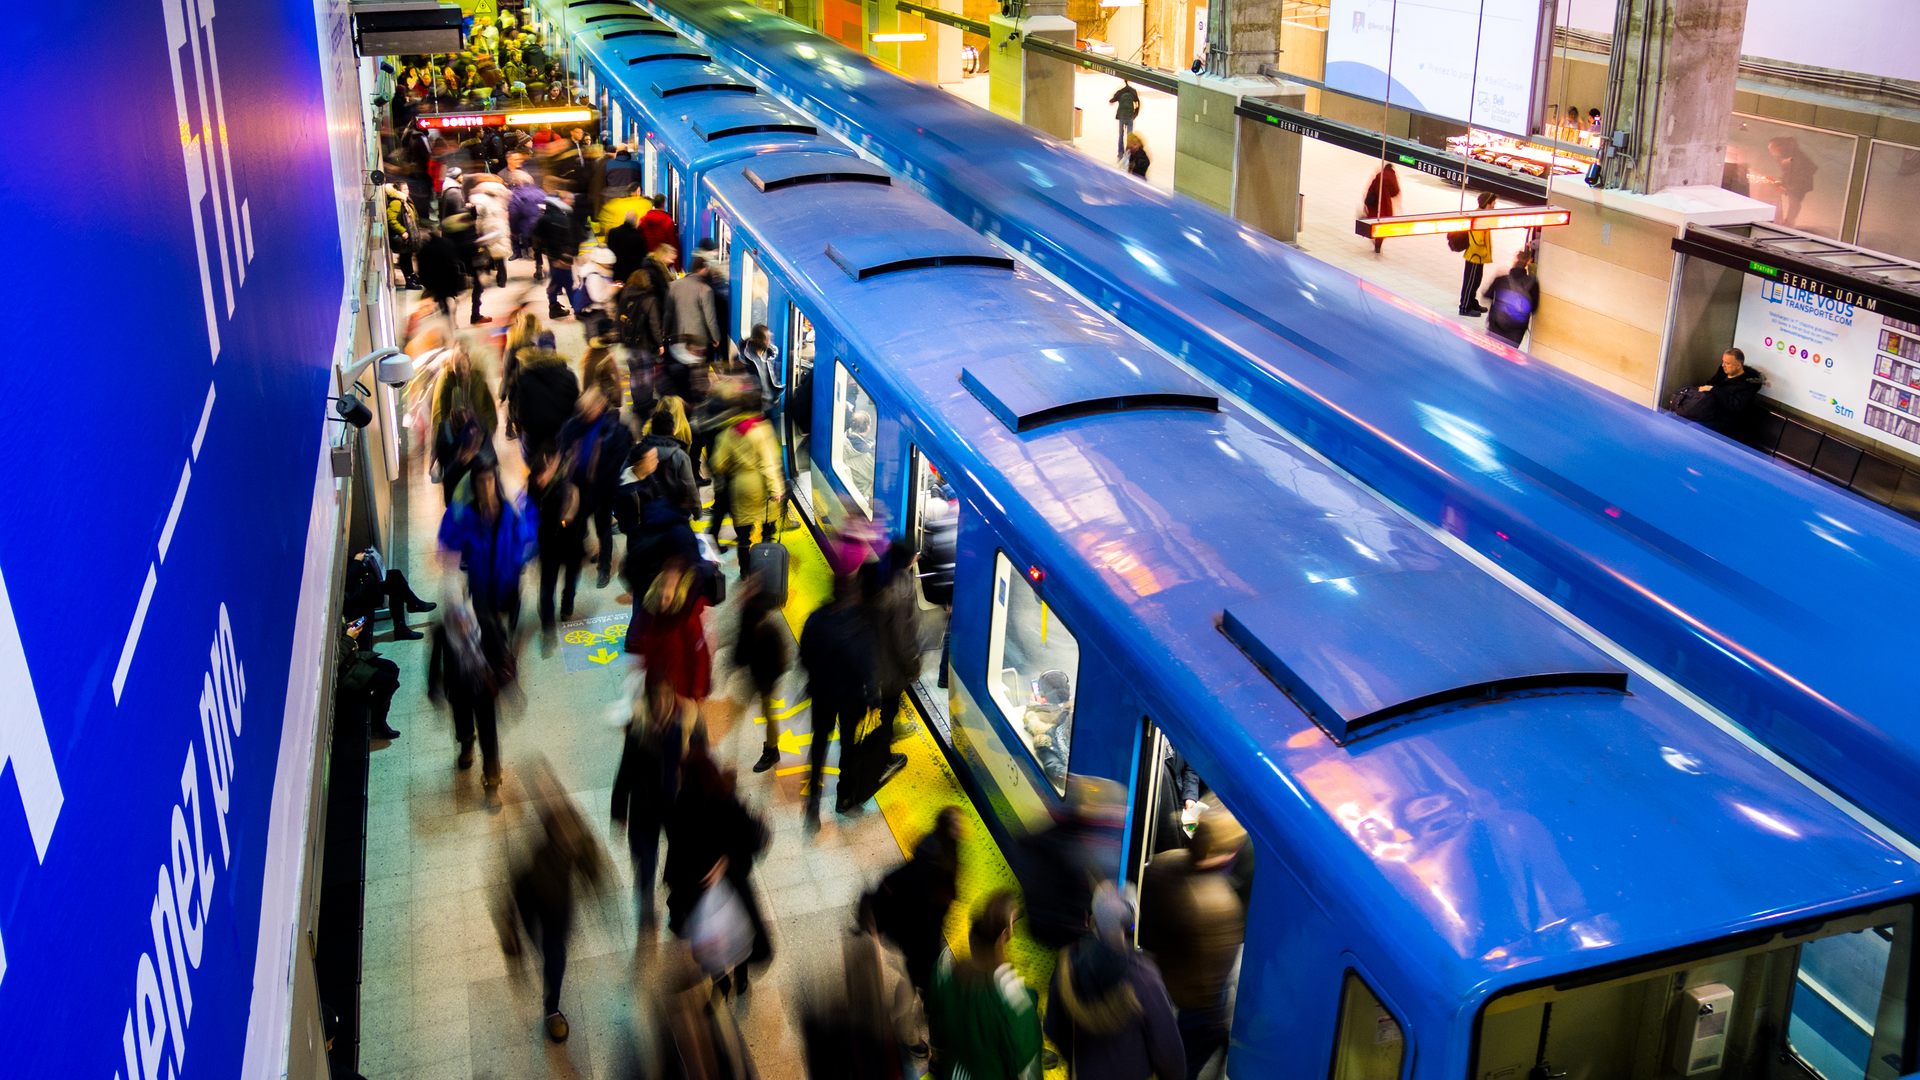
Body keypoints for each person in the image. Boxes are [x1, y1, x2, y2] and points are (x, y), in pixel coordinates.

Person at [1138, 808, 1248, 1080]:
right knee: (1189, 1057)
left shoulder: (1162, 863)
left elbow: (1145, 926)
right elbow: (1216, 977)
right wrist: (1216, 1020)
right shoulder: (1221, 905)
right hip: (1196, 1002)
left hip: (1161, 977)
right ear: (1220, 854)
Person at [664, 734, 772, 996]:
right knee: (717, 936)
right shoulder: (689, 800)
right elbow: (677, 844)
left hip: (720, 886)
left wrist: (724, 862)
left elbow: (748, 841)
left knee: (728, 932)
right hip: (705, 887)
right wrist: (675, 879)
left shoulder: (721, 801)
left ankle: (735, 977)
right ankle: (725, 981)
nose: (683, 780)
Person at [1044, 885, 1184, 1080]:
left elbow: (1053, 1029)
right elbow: (1170, 1057)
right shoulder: (1144, 978)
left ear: (1091, 920)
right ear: (1129, 926)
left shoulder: (1066, 964)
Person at [501, 794, 608, 1043]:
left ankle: (552, 1005)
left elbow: (590, 865)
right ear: (554, 839)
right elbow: (515, 896)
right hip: (544, 923)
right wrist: (511, 929)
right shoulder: (536, 869)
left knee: (556, 957)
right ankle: (551, 1010)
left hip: (557, 921)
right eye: (569, 840)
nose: (574, 843)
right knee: (554, 960)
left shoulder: (568, 853)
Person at [925, 892, 1042, 1080]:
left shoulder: (942, 973)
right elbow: (1028, 1073)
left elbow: (936, 1029)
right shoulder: (1016, 1006)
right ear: (1004, 937)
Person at [612, 672, 693, 931]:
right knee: (645, 862)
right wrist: (618, 811)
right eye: (657, 696)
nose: (663, 702)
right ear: (648, 699)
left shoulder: (682, 727)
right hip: (644, 808)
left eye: (668, 695)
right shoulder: (638, 733)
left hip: (673, 806)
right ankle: (646, 904)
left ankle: (677, 911)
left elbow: (694, 763)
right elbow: (624, 773)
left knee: (680, 861)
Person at [799, 573, 878, 826]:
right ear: (852, 595)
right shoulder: (859, 625)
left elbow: (804, 656)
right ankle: (844, 798)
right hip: (850, 700)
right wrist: (872, 698)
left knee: (819, 744)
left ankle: (813, 799)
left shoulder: (815, 619)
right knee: (848, 747)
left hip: (822, 695)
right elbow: (866, 666)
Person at [427, 592, 515, 801]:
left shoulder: (484, 624)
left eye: (464, 616)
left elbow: (501, 651)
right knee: (462, 722)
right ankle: (467, 745)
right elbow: (434, 661)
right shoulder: (442, 631)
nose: (461, 623)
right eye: (455, 618)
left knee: (488, 733)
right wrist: (433, 687)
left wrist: (507, 685)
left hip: (484, 688)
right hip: (458, 689)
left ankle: (492, 776)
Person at [870, 806, 962, 994]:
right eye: (955, 823)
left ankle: (921, 990)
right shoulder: (934, 862)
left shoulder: (946, 848)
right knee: (922, 973)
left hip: (926, 927)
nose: (960, 827)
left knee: (919, 972)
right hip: (922, 928)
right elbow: (929, 897)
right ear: (945, 826)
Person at [437, 456, 535, 629]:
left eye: (490, 480)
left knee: (506, 608)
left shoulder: (508, 509)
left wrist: (518, 558)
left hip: (506, 574)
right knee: (484, 620)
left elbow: (526, 530)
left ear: (496, 481)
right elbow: (451, 538)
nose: (486, 486)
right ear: (474, 485)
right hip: (479, 578)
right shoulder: (467, 514)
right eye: (481, 481)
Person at [709, 388, 784, 574]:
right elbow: (769, 463)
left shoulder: (729, 431)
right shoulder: (762, 430)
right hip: (761, 486)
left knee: (744, 534)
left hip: (739, 486)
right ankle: (765, 567)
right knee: (767, 528)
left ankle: (744, 570)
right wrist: (775, 490)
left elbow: (717, 464)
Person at [528, 449, 587, 649]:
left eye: (541, 475)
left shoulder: (567, 487)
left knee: (571, 579)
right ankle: (548, 628)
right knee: (546, 589)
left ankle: (567, 607)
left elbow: (575, 513)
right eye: (535, 476)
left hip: (571, 543)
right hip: (549, 546)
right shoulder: (532, 489)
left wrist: (566, 519)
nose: (538, 480)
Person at [736, 573, 792, 774]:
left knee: (768, 713)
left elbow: (777, 656)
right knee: (762, 712)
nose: (743, 591)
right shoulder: (749, 611)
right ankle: (770, 748)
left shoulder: (763, 621)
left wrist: (768, 681)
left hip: (765, 676)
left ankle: (771, 750)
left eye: (749, 587)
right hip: (758, 673)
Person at [508, 347, 580, 470]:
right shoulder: (568, 376)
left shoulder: (523, 379)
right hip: (559, 428)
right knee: (558, 457)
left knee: (532, 459)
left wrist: (518, 423)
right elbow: (575, 402)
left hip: (533, 430)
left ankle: (536, 475)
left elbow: (517, 406)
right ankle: (556, 475)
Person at [343, 548, 435, 641]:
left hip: (356, 583)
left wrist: (357, 557)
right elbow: (345, 580)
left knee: (395, 576)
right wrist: (356, 561)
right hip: (352, 594)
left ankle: (412, 607)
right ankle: (412, 608)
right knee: (395, 585)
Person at [1695, 347, 1765, 436]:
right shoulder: (1723, 372)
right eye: (1723, 361)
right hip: (1708, 411)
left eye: (1727, 363)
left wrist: (1715, 390)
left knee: (1693, 427)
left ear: (1738, 366)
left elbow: (1735, 406)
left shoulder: (1747, 385)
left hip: (1724, 422)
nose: (1723, 365)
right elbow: (1711, 383)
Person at [534, 186, 577, 320]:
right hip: (560, 256)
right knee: (567, 282)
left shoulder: (546, 215)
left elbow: (536, 236)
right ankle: (576, 308)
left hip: (554, 255)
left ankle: (554, 306)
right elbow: (561, 238)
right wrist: (562, 257)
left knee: (557, 281)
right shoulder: (557, 217)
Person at [1482, 247, 1540, 346]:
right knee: (1509, 353)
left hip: (1497, 324)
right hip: (1517, 329)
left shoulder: (1501, 279)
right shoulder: (1533, 284)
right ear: (1529, 261)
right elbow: (1534, 308)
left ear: (1516, 258)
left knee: (1490, 350)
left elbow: (1487, 295)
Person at [670, 256, 721, 353]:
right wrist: (716, 337)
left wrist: (665, 331)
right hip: (696, 339)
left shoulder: (673, 285)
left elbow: (668, 312)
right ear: (702, 270)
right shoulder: (706, 290)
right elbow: (710, 318)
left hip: (677, 336)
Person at [1458, 191, 1496, 317]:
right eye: (1493, 201)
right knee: (1470, 282)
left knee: (1476, 281)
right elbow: (1477, 239)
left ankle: (1472, 302)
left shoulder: (1482, 215)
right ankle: (1465, 307)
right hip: (1475, 255)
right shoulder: (1478, 217)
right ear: (1487, 203)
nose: (1495, 203)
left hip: (1479, 256)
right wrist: (1483, 252)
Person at [1767, 136, 1817, 228]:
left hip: (1799, 184)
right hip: (1795, 183)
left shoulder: (1794, 156)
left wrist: (1787, 185)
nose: (1771, 150)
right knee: (1793, 201)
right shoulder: (1784, 156)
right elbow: (1787, 173)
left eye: (1772, 147)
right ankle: (1788, 222)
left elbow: (1796, 172)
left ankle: (1789, 223)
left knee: (1794, 202)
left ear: (1779, 146)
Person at [385, 183, 424, 290]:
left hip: (409, 236)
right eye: (404, 189)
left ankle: (412, 277)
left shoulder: (405, 201)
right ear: (398, 191)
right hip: (404, 237)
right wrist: (402, 231)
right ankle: (409, 281)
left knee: (408, 256)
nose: (407, 191)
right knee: (405, 258)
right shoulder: (396, 202)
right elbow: (391, 220)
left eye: (407, 188)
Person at [1362, 163, 1399, 253]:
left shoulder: (1379, 175)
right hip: (1385, 204)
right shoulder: (1392, 177)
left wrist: (1366, 202)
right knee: (1384, 223)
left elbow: (1370, 188)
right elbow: (1395, 192)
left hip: (1375, 202)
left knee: (1373, 219)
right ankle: (1378, 243)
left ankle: (1371, 235)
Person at [607, 211, 650, 285]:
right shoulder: (638, 237)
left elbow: (609, 251)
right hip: (631, 274)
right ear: (635, 222)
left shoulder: (613, 232)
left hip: (616, 271)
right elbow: (640, 257)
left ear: (624, 219)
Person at [641, 194, 678, 265]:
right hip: (663, 259)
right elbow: (673, 242)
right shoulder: (668, 222)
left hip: (647, 258)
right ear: (663, 204)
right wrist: (677, 265)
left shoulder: (643, 220)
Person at [1110, 81, 1140, 160]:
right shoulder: (1133, 91)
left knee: (1121, 135)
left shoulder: (1121, 91)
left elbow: (1112, 100)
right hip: (1130, 116)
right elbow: (1138, 103)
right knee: (1130, 136)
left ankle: (1120, 153)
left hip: (1122, 116)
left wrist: (1113, 99)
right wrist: (1135, 114)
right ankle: (1128, 152)